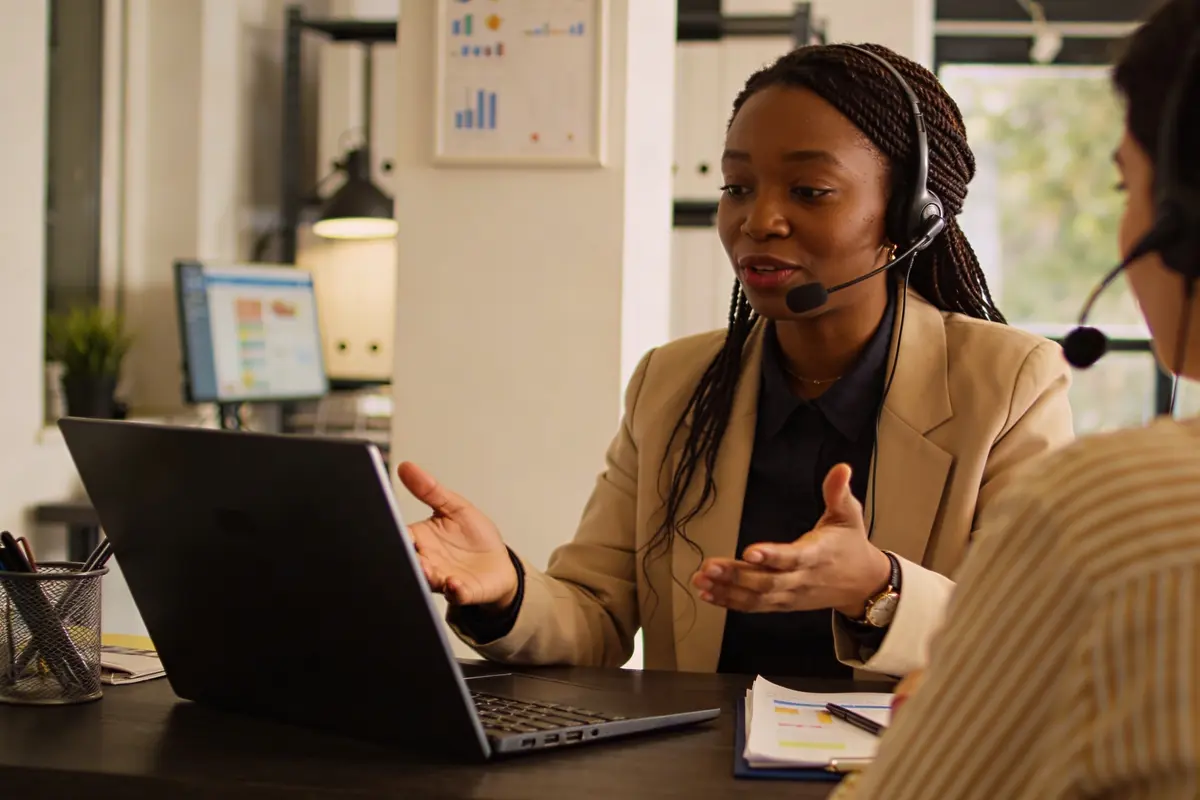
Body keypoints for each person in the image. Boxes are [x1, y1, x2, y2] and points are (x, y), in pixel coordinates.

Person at [396, 43, 1075, 681]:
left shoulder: (1009, 384)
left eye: (808, 191)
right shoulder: (673, 382)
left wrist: (877, 588)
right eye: (738, 188)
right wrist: (505, 589)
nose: (758, 221)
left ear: (911, 215)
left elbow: (1029, 635)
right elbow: (596, 614)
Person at [831, 1, 1200, 796]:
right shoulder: (675, 378)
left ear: (1179, 228)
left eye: (1124, 184)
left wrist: (952, 691)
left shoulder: (1112, 507)